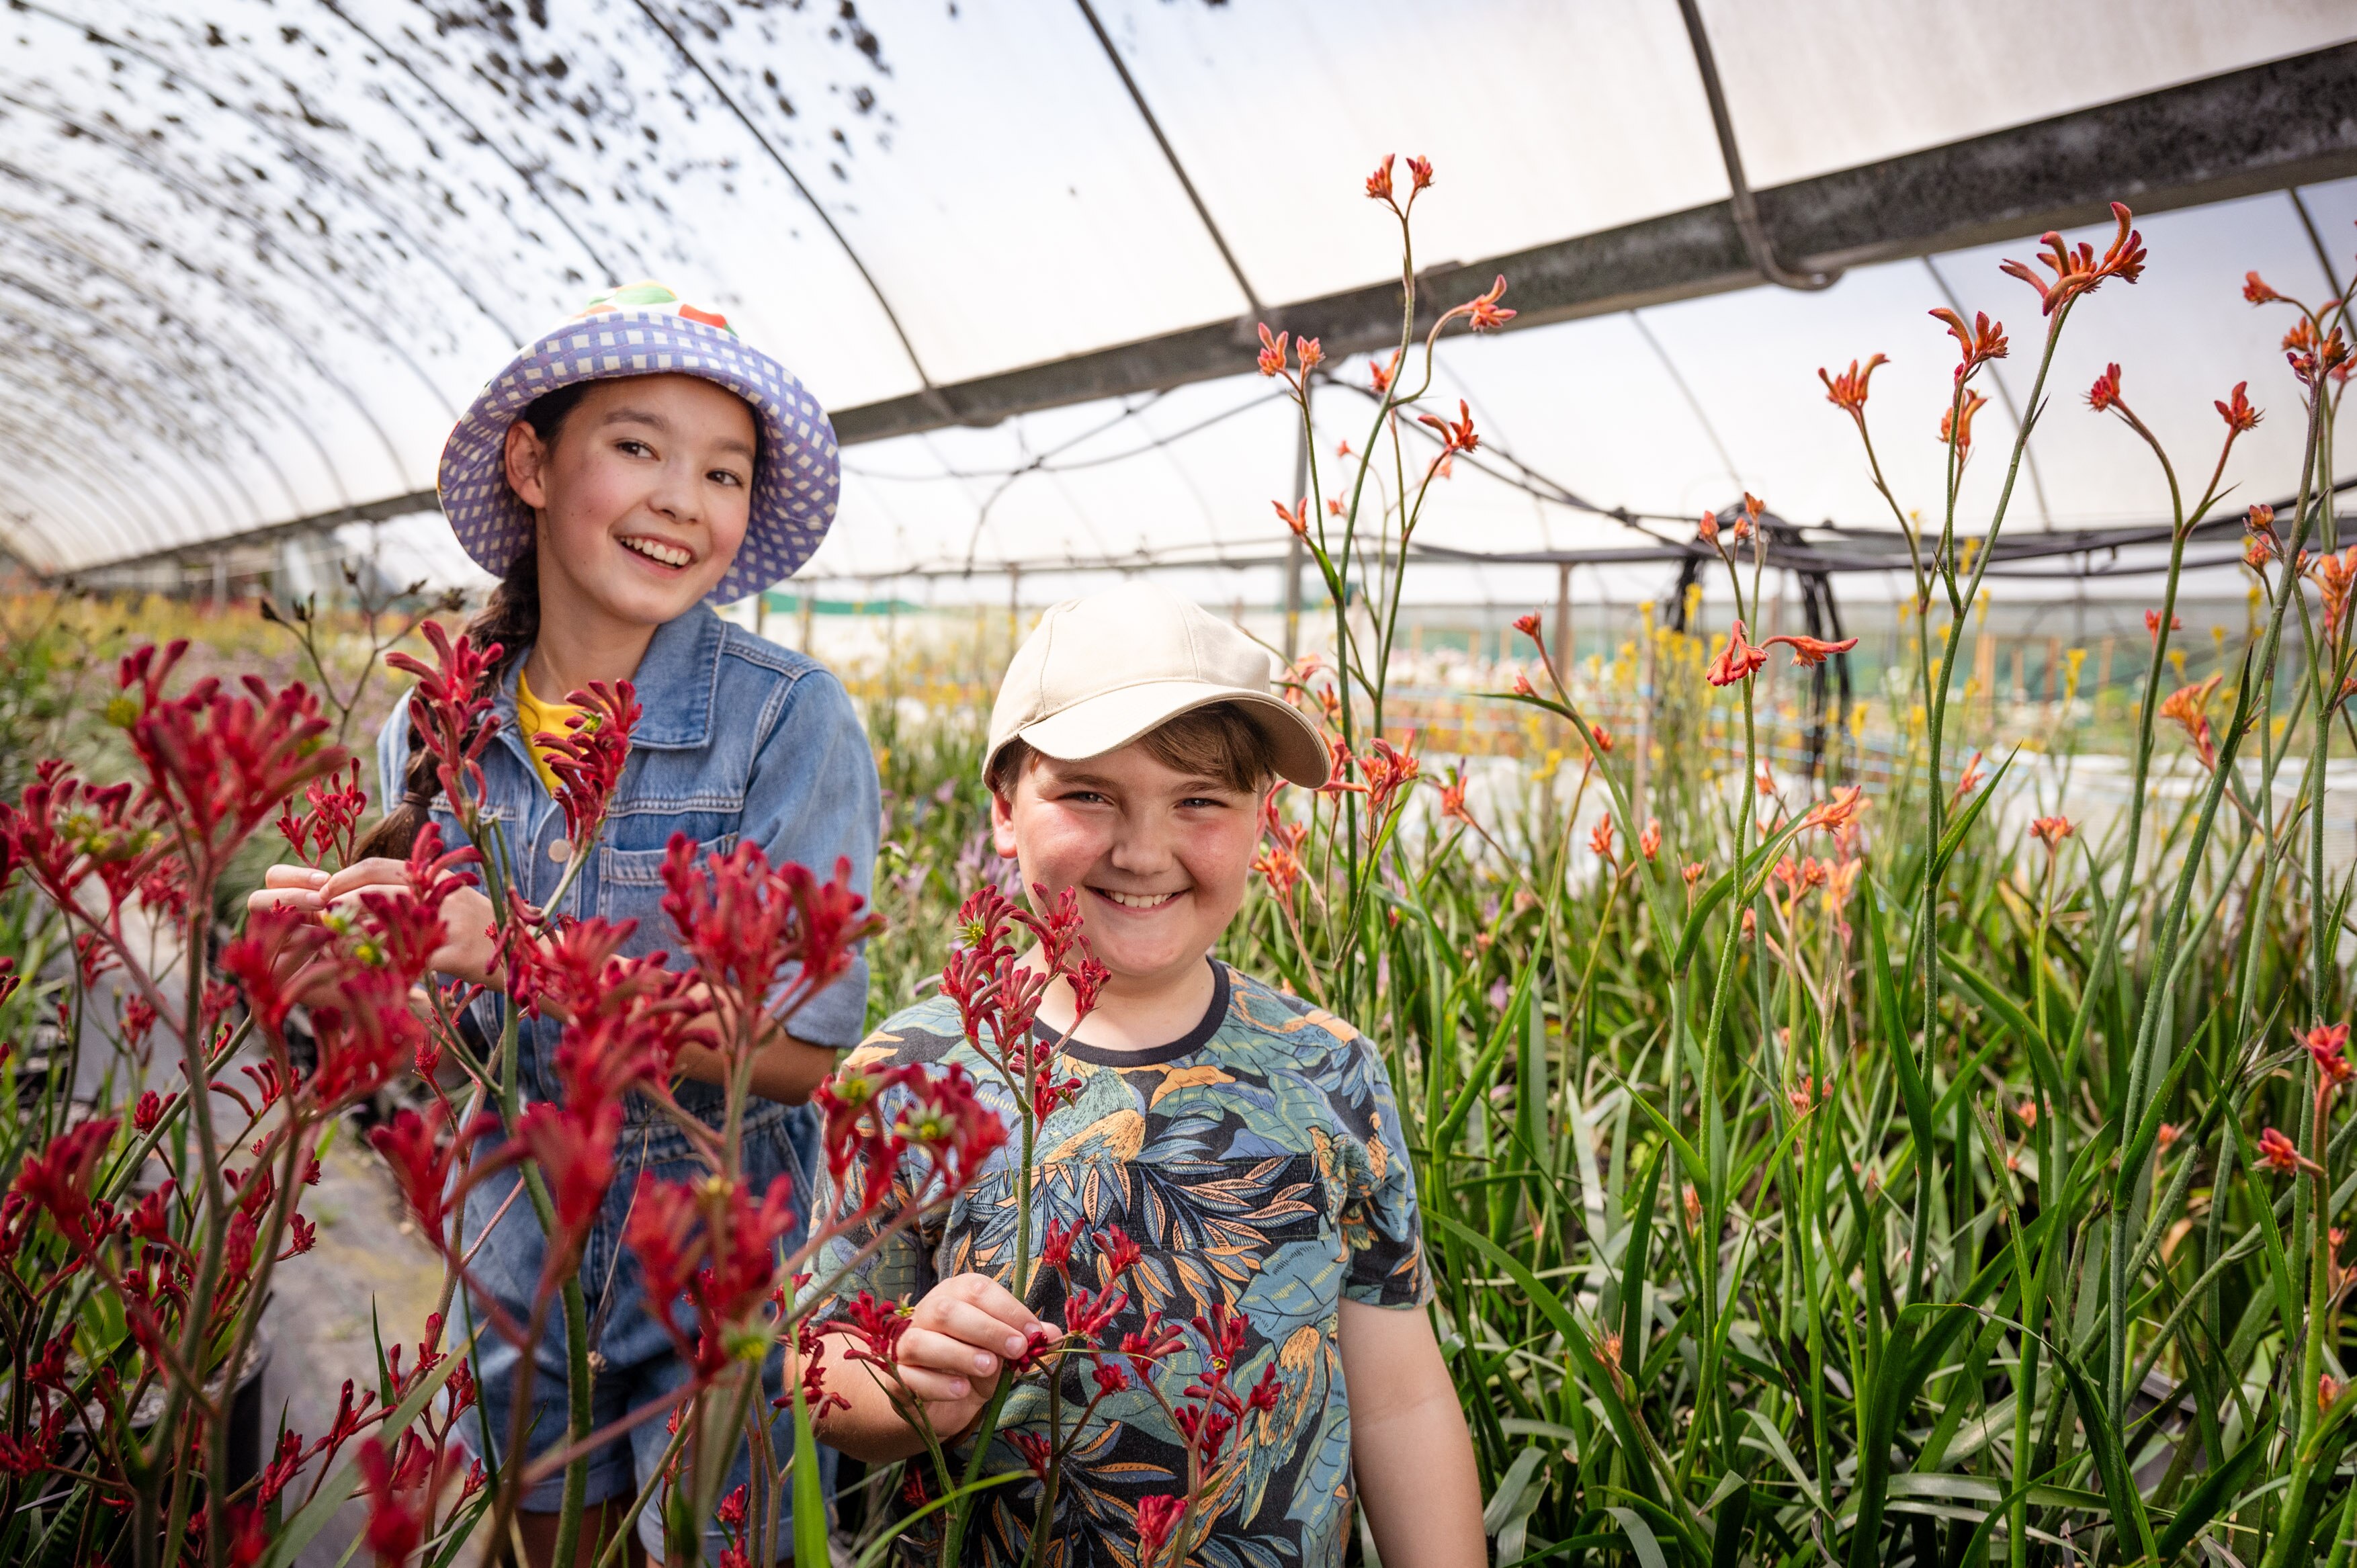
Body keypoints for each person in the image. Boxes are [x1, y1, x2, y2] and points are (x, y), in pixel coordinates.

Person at [250, 281, 879, 1567]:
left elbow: (803, 1048)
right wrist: (359, 984)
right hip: (520, 1284)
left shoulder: (786, 720)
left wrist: (517, 953)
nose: (680, 500)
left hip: (720, 1292)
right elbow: (445, 1047)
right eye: (637, 446)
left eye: (724, 470)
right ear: (534, 463)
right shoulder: (427, 729)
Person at [801, 582, 1484, 1567]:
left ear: (1265, 819)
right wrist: (906, 1385)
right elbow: (818, 1347)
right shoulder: (909, 1074)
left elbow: (1402, 1396)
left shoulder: (1328, 1069)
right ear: (1004, 807)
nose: (1143, 849)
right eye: (1088, 793)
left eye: (1199, 800)